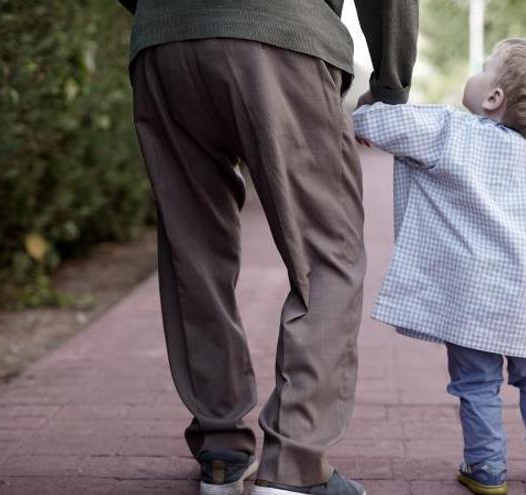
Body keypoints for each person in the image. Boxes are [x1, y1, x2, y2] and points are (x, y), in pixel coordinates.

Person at [117, 1, 418, 494]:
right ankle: (293, 469)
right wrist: (390, 83)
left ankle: (221, 449)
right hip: (281, 37)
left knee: (193, 252)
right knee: (327, 255)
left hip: (163, 45)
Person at [352, 38, 526, 495]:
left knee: (476, 383)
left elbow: (380, 124)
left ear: (493, 99)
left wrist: (365, 113)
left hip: (475, 304)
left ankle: (486, 468)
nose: (478, 72)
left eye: (486, 67)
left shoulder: (452, 132)